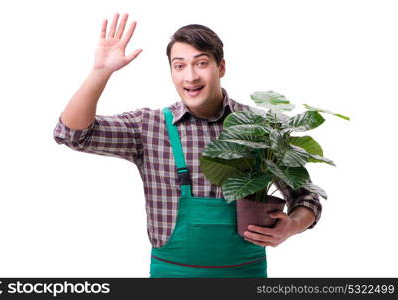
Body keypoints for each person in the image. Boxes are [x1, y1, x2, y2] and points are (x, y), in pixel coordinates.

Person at [53, 12, 322, 278]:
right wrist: (100, 72)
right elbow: (72, 134)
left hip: (245, 274)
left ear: (222, 67)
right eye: (179, 66)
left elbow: (306, 197)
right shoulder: (149, 126)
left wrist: (292, 226)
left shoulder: (260, 127)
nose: (190, 76)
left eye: (201, 63)